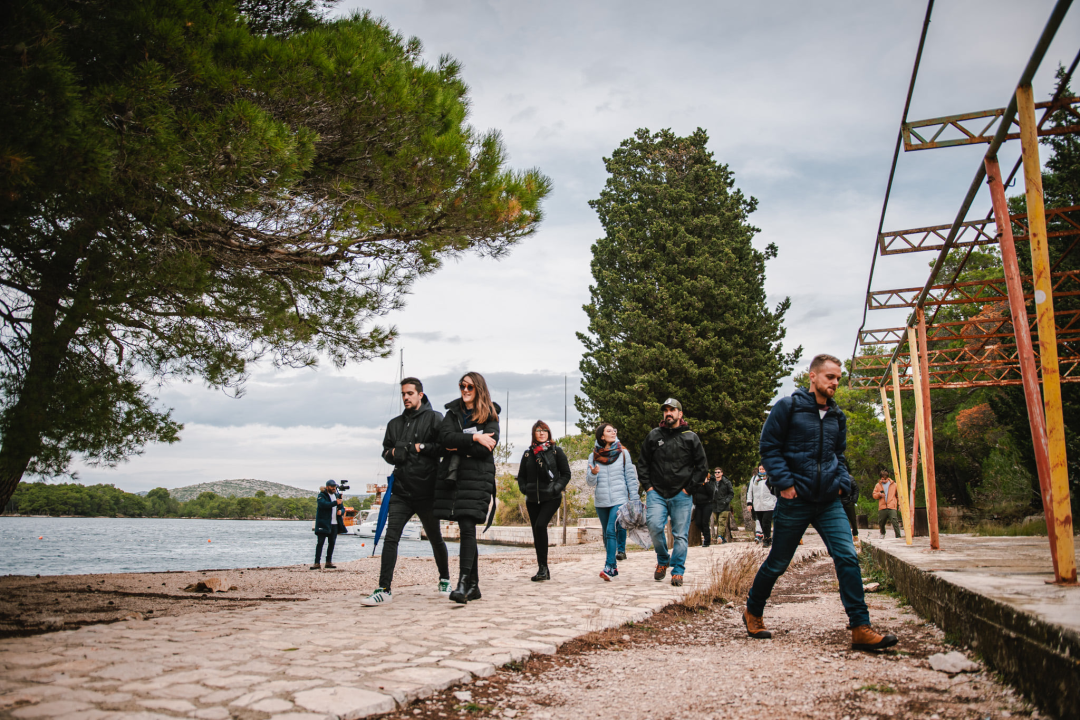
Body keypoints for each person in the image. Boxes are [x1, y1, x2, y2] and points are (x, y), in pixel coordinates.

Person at [745, 353, 898, 651]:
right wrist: (785, 484)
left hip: (829, 501)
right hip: (795, 501)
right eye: (830, 377)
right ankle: (753, 610)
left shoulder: (837, 416)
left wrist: (842, 483)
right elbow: (769, 447)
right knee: (778, 562)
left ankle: (860, 627)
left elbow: (838, 455)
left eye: (838, 378)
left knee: (847, 557)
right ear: (812, 377)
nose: (835, 383)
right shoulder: (788, 408)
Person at [360, 378, 451, 606]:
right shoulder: (394, 424)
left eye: (410, 393)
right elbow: (386, 451)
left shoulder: (434, 418)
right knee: (391, 538)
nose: (406, 398)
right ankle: (384, 589)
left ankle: (445, 579)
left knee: (435, 538)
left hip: (427, 492)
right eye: (403, 394)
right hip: (401, 491)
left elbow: (444, 447)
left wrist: (421, 448)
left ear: (421, 394)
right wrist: (394, 454)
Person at [434, 371, 500, 604]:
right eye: (462, 386)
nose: (464, 390)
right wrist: (473, 439)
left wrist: (459, 444)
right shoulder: (452, 413)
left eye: (469, 386)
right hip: (456, 477)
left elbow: (486, 449)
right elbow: (444, 440)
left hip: (478, 478)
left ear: (478, 388)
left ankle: (463, 583)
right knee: (466, 527)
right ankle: (473, 586)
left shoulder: (491, 414)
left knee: (467, 525)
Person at [638, 398, 708, 587]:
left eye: (672, 410)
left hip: (681, 494)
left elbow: (702, 468)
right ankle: (662, 559)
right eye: (665, 410)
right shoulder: (654, 436)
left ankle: (677, 570)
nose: (668, 413)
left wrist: (688, 489)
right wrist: (648, 487)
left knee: (680, 535)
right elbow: (642, 463)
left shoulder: (690, 437)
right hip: (657, 493)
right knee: (653, 526)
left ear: (680, 414)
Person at [517, 420, 571, 582]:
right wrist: (525, 489)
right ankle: (543, 568)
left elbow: (566, 474)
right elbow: (521, 476)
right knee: (537, 531)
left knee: (541, 526)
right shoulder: (528, 454)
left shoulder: (556, 452)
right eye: (538, 430)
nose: (541, 433)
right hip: (532, 499)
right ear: (534, 434)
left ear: (549, 433)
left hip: (551, 497)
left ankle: (543, 568)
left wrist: (556, 488)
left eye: (544, 430)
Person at [587, 423, 639, 581]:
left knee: (611, 530)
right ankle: (613, 566)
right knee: (606, 533)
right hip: (601, 502)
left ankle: (609, 566)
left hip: (619, 499)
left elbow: (630, 477)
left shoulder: (623, 453)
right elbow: (589, 482)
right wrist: (594, 473)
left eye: (614, 430)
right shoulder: (593, 456)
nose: (613, 432)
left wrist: (635, 499)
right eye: (609, 431)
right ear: (602, 436)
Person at [312, 480, 343, 570]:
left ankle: (328, 562)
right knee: (320, 543)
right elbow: (323, 505)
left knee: (332, 543)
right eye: (332, 486)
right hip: (324, 523)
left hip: (334, 524)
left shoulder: (337, 496)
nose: (334, 488)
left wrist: (341, 511)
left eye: (335, 486)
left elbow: (342, 507)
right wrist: (335, 503)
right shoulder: (322, 496)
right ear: (327, 487)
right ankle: (317, 563)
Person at [746, 465, 776, 548]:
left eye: (763, 469)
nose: (762, 470)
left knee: (766, 521)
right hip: (758, 505)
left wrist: (775, 502)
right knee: (762, 522)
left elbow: (775, 490)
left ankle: (766, 539)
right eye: (760, 469)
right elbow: (750, 491)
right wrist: (749, 503)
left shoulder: (770, 478)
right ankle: (768, 537)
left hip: (769, 504)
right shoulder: (754, 479)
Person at [692, 467, 717, 547]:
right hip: (698, 504)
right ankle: (706, 534)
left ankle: (707, 540)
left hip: (707, 504)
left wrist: (706, 483)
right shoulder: (697, 482)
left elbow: (711, 493)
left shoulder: (711, 481)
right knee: (698, 522)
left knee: (704, 522)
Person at [873, 469, 901, 539]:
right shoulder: (878, 485)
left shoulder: (894, 485)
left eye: (885, 479)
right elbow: (874, 495)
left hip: (891, 505)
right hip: (882, 506)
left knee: (894, 521)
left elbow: (898, 496)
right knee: (881, 521)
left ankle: (898, 535)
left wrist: (899, 505)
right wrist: (879, 494)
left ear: (888, 478)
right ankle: (882, 533)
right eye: (882, 479)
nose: (884, 481)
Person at [711, 467, 735, 544]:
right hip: (715, 505)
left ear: (722, 473)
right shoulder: (712, 482)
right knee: (718, 522)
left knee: (721, 521)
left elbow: (731, 493)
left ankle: (720, 536)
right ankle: (723, 538)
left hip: (724, 506)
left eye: (718, 472)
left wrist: (726, 501)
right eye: (715, 472)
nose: (716, 474)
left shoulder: (726, 482)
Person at [842, 479, 861, 549]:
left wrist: (853, 500)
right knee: (841, 520)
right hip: (839, 502)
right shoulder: (835, 477)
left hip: (849, 502)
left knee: (852, 519)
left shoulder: (850, 479)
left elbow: (856, 489)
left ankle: (855, 534)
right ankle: (844, 536)